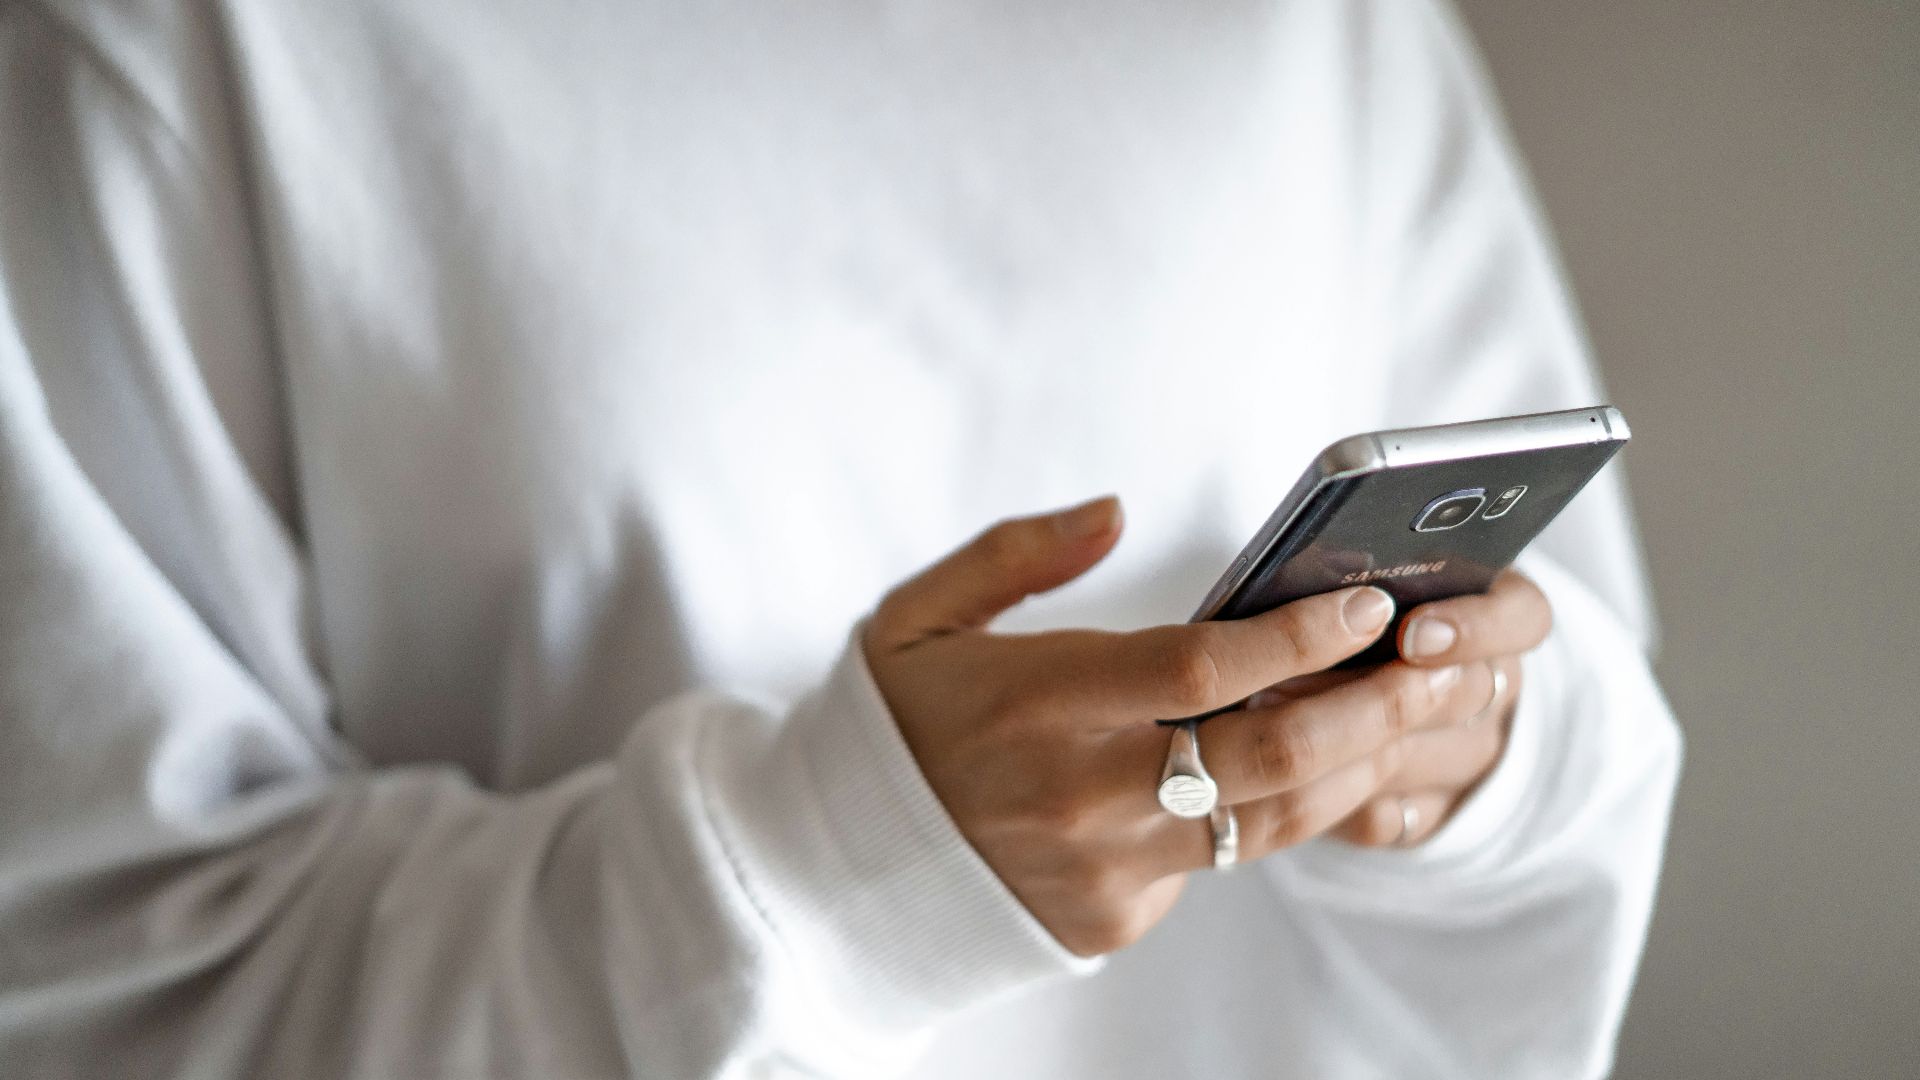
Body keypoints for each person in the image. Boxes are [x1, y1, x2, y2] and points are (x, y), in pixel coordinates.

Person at [0, 0, 1680, 1076]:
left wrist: (1462, 756)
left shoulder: (1319, 33)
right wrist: (830, 868)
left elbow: (1586, 698)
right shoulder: (167, 47)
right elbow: (94, 984)